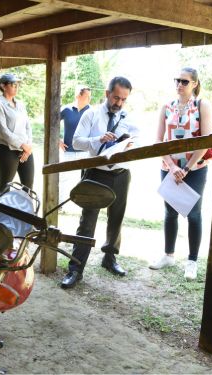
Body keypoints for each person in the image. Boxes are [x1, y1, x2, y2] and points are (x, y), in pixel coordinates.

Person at [60, 76, 139, 289]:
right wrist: (99, 140)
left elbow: (139, 139)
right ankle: (75, 269)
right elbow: (75, 141)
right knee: (87, 222)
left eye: (123, 99)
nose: (119, 103)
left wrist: (130, 144)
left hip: (121, 174)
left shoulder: (128, 117)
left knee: (116, 219)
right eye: (116, 97)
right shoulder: (91, 114)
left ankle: (109, 258)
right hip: (96, 173)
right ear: (107, 93)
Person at [149, 68, 212, 280]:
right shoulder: (166, 107)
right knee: (170, 212)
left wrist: (186, 168)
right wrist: (172, 165)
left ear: (194, 83)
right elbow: (159, 141)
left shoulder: (201, 105)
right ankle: (168, 254)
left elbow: (207, 140)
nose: (179, 84)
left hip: (194, 169)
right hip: (169, 167)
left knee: (194, 214)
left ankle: (192, 261)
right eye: (177, 80)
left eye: (184, 81)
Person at [0, 73, 34, 193]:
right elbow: (3, 131)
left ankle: (26, 212)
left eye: (17, 84)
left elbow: (28, 127)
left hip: (25, 149)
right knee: (5, 186)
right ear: (3, 86)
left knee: (28, 186)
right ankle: (1, 211)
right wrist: (22, 145)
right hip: (7, 149)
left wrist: (28, 147)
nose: (16, 87)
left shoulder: (20, 104)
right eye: (12, 84)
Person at [59, 85, 91, 202]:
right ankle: (60, 203)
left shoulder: (92, 111)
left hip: (85, 152)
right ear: (78, 95)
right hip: (68, 151)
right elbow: (52, 123)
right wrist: (58, 140)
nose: (89, 99)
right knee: (63, 178)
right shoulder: (66, 109)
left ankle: (85, 204)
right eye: (87, 96)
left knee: (86, 179)